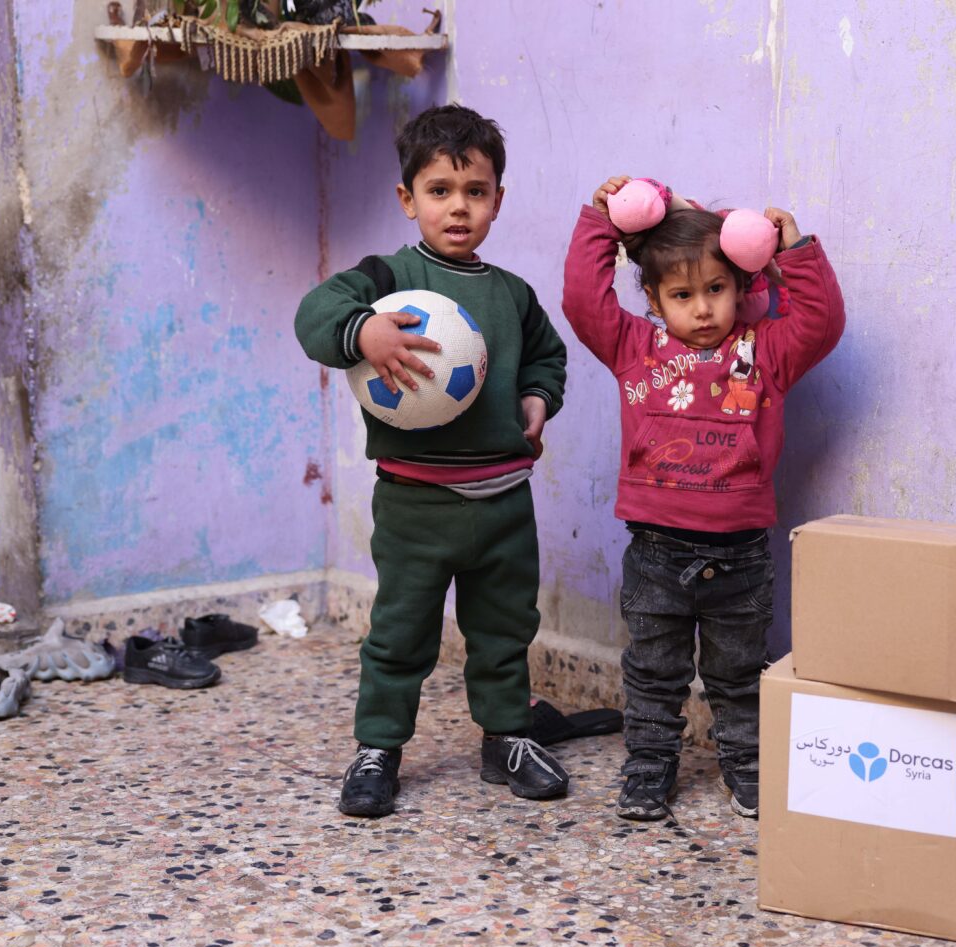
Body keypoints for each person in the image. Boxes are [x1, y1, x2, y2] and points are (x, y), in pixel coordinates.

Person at [294, 105, 570, 818]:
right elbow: (314, 315)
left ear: (498, 202)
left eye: (475, 191)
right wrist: (365, 332)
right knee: (402, 632)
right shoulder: (384, 280)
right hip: (416, 503)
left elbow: (547, 356)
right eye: (440, 189)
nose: (458, 206)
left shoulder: (511, 294)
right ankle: (379, 747)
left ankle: (506, 737)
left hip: (506, 501)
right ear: (407, 200)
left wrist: (539, 400)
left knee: (506, 629)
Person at [561, 176, 845, 819]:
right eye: (682, 295)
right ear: (656, 301)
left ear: (741, 287)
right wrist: (603, 223)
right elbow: (584, 301)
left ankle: (747, 764)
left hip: (741, 556)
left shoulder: (766, 352)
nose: (703, 308)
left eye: (716, 288)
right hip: (657, 551)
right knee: (653, 674)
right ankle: (649, 767)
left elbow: (821, 323)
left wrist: (790, 253)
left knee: (740, 675)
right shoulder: (635, 348)